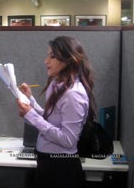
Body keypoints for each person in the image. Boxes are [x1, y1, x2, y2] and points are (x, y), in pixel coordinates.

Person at [16, 36, 96, 188]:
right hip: (46, 162)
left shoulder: (73, 94)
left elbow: (68, 140)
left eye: (52, 56)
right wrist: (30, 101)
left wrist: (31, 116)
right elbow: (50, 119)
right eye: (47, 55)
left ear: (69, 60)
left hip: (61, 168)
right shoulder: (56, 84)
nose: (46, 61)